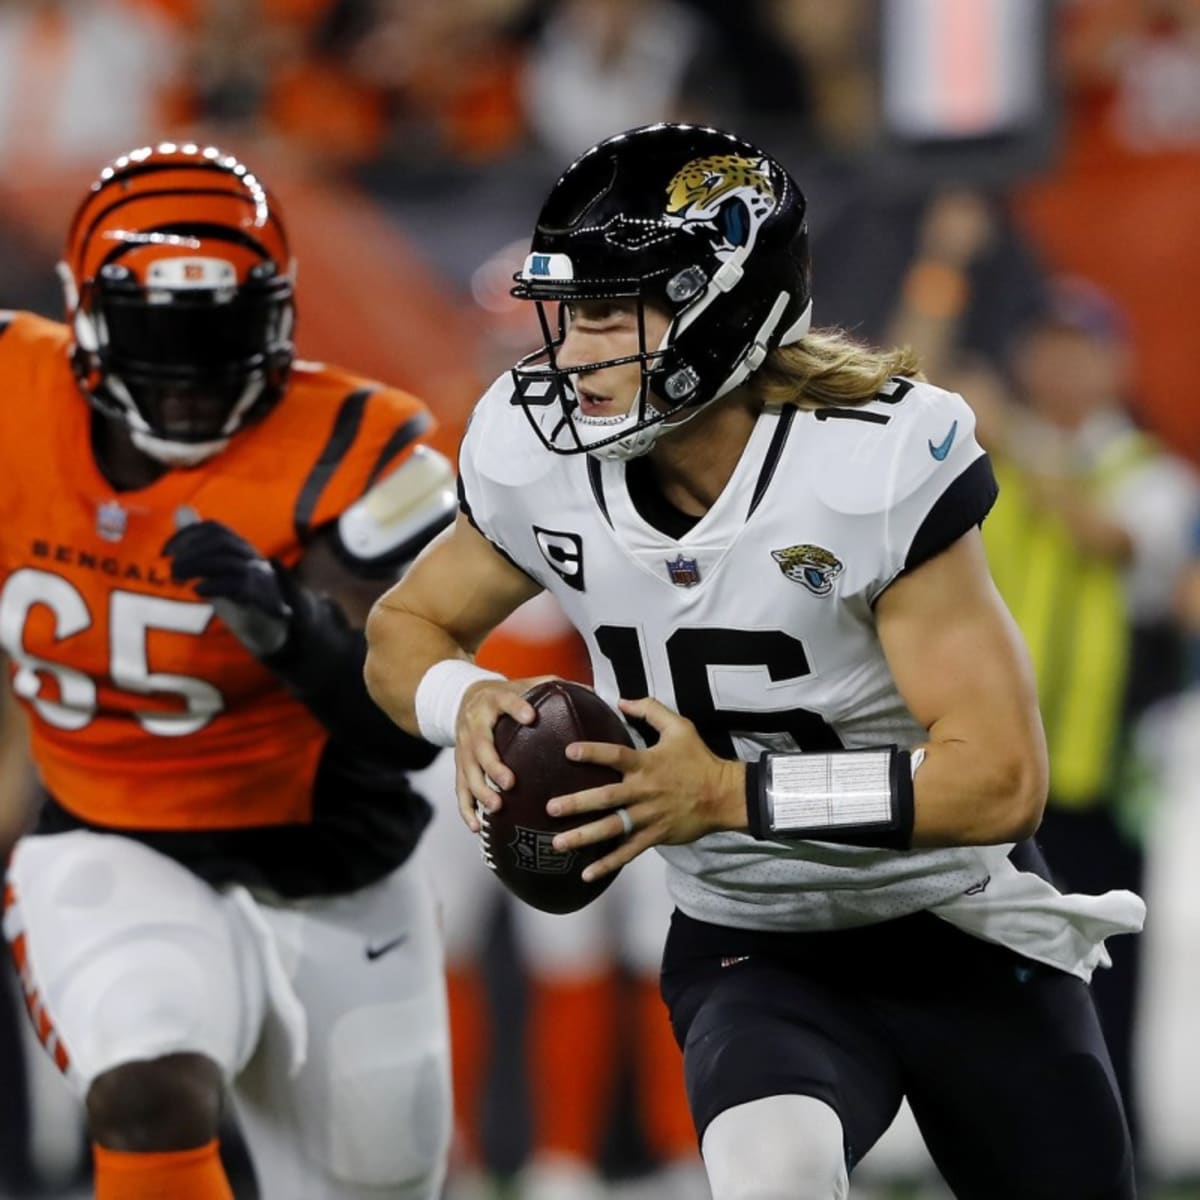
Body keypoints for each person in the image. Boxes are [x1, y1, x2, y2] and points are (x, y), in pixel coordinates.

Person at [363, 123, 1147, 1200]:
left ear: (721, 305)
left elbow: (999, 779)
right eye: (569, 314)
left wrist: (729, 790)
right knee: (769, 1177)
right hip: (753, 939)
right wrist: (465, 697)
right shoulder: (537, 458)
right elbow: (404, 632)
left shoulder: (862, 468)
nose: (573, 351)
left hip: (954, 924)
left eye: (607, 311)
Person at [0, 143, 457, 1200]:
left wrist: (292, 630)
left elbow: (400, 722)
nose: (193, 374)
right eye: (162, 332)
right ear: (87, 315)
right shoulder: (15, 401)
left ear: (279, 320)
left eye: (223, 333)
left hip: (331, 859)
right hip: (112, 833)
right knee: (146, 1090)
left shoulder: (359, 448)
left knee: (375, 1182)